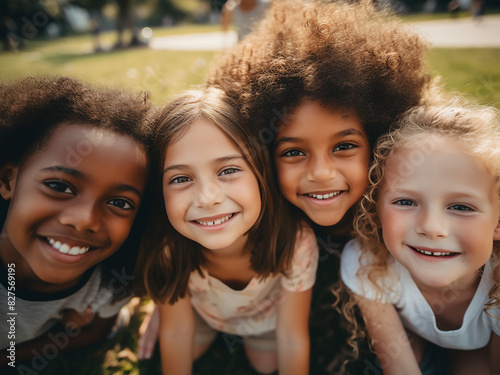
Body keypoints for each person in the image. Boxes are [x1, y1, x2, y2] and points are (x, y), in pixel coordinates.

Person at [135, 87, 318, 375]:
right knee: (184, 349)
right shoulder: (168, 249)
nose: (208, 198)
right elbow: (177, 332)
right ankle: (164, 308)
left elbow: (292, 335)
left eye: (228, 170)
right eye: (181, 178)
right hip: (205, 316)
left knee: (266, 363)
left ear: (260, 173)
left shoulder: (296, 243)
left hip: (265, 322)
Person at [0, 76, 152, 367]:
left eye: (120, 203)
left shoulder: (111, 282)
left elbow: (96, 332)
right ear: (9, 180)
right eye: (59, 186)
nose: (84, 220)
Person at [338, 102, 500, 374]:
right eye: (405, 201)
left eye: (461, 207)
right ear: (376, 208)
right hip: (415, 338)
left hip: (480, 346)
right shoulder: (368, 264)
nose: (431, 227)